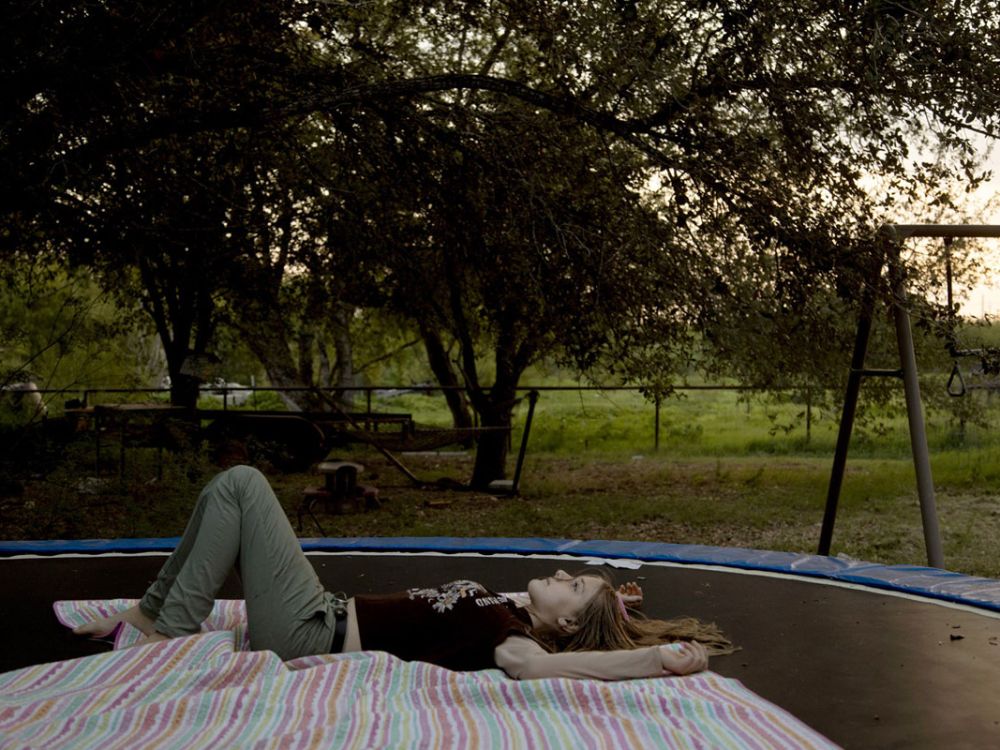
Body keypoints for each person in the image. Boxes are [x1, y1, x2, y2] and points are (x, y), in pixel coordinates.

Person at [74, 466, 733, 680]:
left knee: (245, 484)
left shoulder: (510, 638)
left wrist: (649, 663)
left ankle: (166, 629)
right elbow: (590, 624)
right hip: (319, 610)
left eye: (576, 584)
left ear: (562, 619)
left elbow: (543, 668)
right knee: (229, 488)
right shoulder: (504, 606)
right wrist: (622, 608)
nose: (563, 571)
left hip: (309, 631)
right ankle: (152, 613)